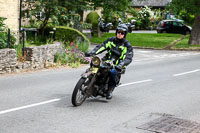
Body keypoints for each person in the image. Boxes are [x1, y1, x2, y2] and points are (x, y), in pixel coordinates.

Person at [85, 24, 134, 99]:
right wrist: (92, 52)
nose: (120, 34)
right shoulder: (111, 40)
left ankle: (109, 90)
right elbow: (102, 46)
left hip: (117, 65)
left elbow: (128, 58)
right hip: (106, 61)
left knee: (112, 72)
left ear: (125, 34)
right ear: (116, 32)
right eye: (118, 32)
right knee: (94, 63)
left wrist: (121, 64)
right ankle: (90, 80)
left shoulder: (127, 46)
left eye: (122, 33)